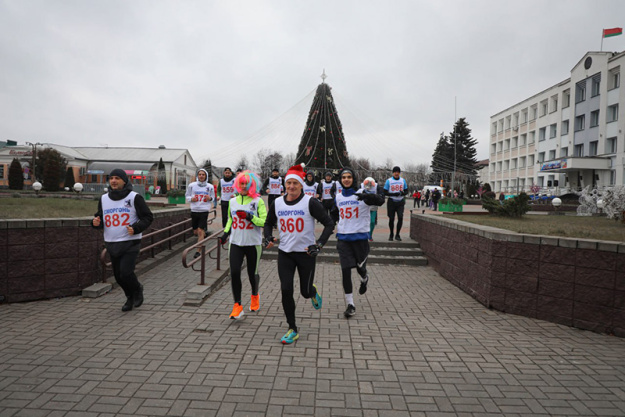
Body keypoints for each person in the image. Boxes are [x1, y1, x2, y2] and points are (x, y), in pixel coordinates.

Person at [264, 164, 334, 344]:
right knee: (286, 289)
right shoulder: (277, 203)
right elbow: (268, 223)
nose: (291, 187)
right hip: (285, 253)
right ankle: (292, 328)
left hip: (306, 254)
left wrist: (319, 244)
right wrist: (268, 237)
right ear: (284, 185)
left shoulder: (310, 202)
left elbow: (329, 223)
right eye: (289, 184)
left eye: (295, 183)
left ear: (301, 185)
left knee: (304, 291)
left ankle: (312, 292)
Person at [92, 169, 153, 312]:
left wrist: (136, 228)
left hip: (130, 241)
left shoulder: (134, 197)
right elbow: (100, 218)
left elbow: (148, 217)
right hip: (112, 242)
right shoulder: (104, 199)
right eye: (111, 178)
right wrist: (95, 222)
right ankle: (129, 297)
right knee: (118, 276)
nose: (113, 181)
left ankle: (137, 289)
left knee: (126, 272)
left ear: (124, 181)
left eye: (117, 178)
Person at [331, 169, 384, 318]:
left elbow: (380, 200)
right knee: (345, 270)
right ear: (340, 180)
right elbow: (334, 214)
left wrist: (368, 196)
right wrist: (330, 224)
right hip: (343, 239)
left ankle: (364, 277)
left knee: (360, 267)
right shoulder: (338, 197)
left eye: (349, 177)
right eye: (343, 177)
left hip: (360, 239)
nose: (346, 179)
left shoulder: (362, 193)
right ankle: (350, 304)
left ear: (353, 179)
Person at [219, 171, 267, 320]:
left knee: (252, 273)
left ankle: (254, 295)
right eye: (241, 183)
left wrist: (250, 217)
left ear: (252, 185)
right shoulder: (232, 201)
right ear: (237, 184)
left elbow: (264, 222)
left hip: (253, 243)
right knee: (234, 272)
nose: (244, 185)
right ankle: (237, 306)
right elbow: (229, 220)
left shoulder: (258, 201)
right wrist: (226, 233)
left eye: (247, 183)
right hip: (236, 243)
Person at [185, 169, 215, 258]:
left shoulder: (210, 186)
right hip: (194, 210)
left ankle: (198, 251)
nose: (201, 176)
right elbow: (187, 195)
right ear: (197, 176)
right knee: (195, 231)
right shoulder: (192, 185)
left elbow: (213, 198)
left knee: (200, 230)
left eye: (203, 174)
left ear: (206, 176)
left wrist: (209, 198)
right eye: (200, 174)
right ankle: (203, 235)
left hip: (204, 210)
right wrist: (191, 199)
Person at [384, 166, 409, 241]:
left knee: (400, 217)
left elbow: (406, 191)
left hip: (400, 201)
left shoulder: (403, 180)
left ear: (399, 173)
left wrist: (403, 193)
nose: (396, 173)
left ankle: (397, 234)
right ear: (393, 173)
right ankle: (391, 234)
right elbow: (385, 192)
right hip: (391, 201)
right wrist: (393, 194)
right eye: (395, 172)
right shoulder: (389, 181)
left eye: (398, 172)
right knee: (391, 219)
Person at [361, 177, 379, 241]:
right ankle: (364, 234)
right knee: (364, 221)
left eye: (370, 185)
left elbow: (380, 194)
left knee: (372, 221)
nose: (369, 187)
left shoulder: (376, 186)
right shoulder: (361, 186)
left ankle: (370, 234)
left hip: (373, 206)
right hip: (365, 206)